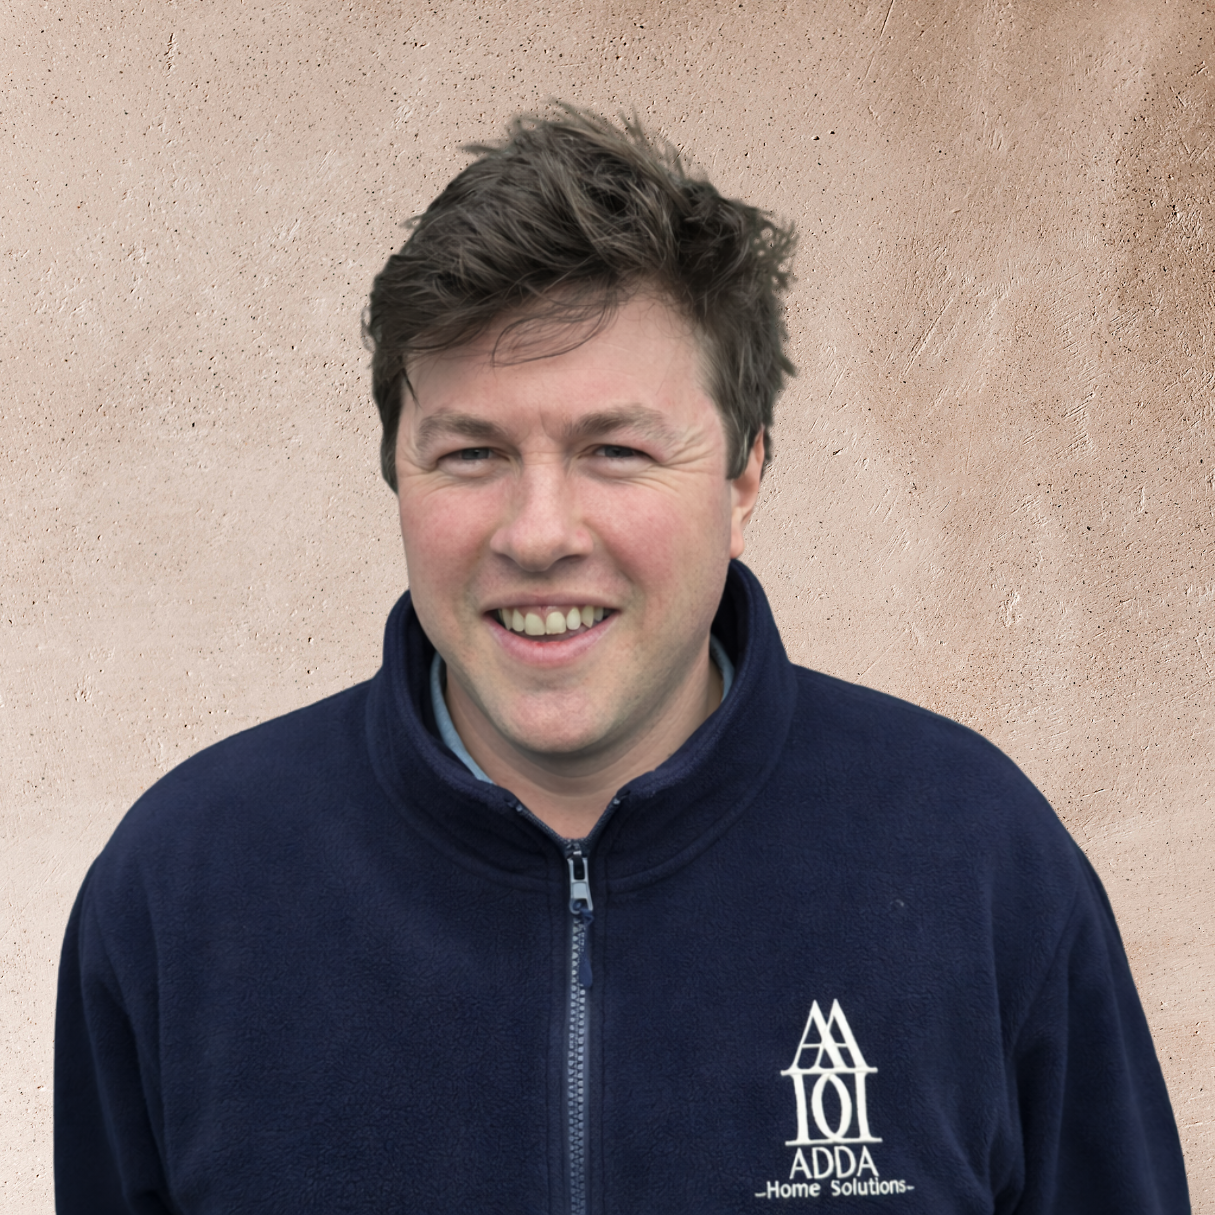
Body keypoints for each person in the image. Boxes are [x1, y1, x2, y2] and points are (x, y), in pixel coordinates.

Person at [55, 108, 1189, 1214]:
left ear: (744, 477)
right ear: (397, 471)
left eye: (615, 450)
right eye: (472, 452)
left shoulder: (980, 864)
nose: (540, 532)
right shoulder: (180, 895)